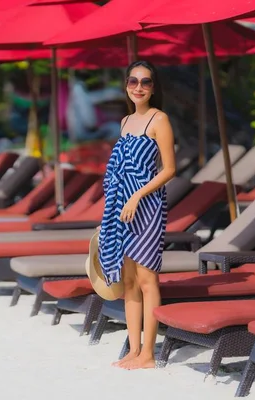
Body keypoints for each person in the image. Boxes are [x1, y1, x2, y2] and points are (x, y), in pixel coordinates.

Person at [97, 60, 176, 370]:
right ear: (126, 85)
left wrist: (137, 195)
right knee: (129, 280)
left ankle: (149, 354)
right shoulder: (125, 121)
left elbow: (169, 169)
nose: (139, 87)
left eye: (145, 82)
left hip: (147, 205)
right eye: (133, 81)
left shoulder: (160, 119)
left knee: (146, 278)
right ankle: (134, 349)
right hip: (121, 206)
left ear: (153, 88)